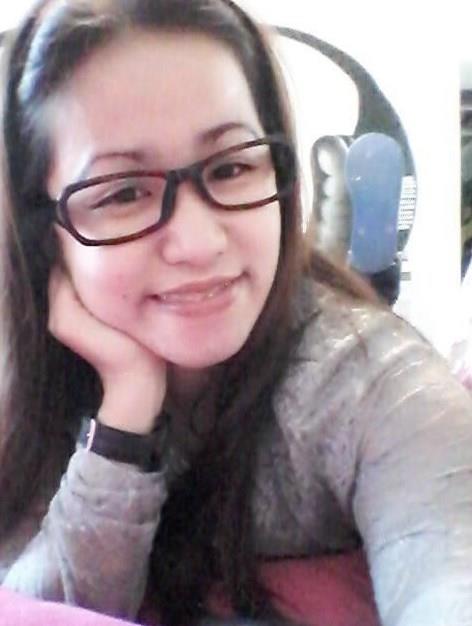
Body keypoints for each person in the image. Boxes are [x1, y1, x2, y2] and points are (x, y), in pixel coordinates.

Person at [0, 1, 471, 626]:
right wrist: (125, 414)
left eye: (232, 167)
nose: (199, 243)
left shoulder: (371, 381)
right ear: (44, 234)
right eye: (124, 192)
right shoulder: (24, 382)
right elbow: (35, 608)